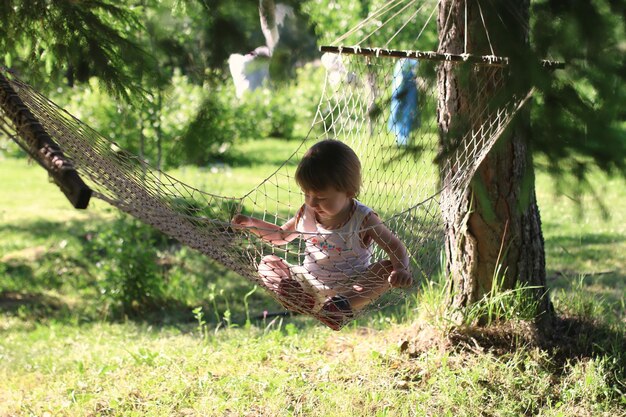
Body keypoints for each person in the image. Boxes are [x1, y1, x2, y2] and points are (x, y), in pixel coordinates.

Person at [232, 139, 412, 330]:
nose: (312, 203)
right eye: (306, 194)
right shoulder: (307, 212)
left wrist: (401, 269)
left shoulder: (363, 219)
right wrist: (252, 224)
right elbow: (280, 236)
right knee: (268, 263)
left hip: (352, 287)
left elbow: (394, 246)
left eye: (321, 197)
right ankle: (297, 298)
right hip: (309, 283)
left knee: (386, 268)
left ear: (349, 192)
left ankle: (338, 308)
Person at [388, 58, 420, 146]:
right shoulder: (401, 63)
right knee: (398, 113)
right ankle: (400, 137)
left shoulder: (412, 62)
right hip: (400, 92)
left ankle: (404, 137)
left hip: (409, 94)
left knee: (407, 114)